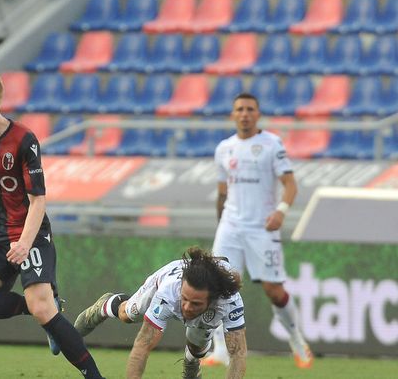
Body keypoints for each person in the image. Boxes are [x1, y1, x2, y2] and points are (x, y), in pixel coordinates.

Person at [0, 67, 104, 378]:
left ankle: (94, 376)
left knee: (43, 307)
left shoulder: (23, 140)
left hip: (30, 235)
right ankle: (38, 310)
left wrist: (24, 242)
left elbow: (38, 201)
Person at [202, 92, 313, 369]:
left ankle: (296, 339)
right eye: (239, 109)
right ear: (232, 114)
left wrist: (281, 212)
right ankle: (220, 350)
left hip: (261, 228)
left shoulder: (271, 144)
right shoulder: (224, 149)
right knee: (216, 286)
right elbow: (222, 192)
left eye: (250, 109)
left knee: (274, 290)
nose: (244, 114)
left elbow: (290, 185)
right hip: (231, 226)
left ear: (258, 113)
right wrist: (222, 225)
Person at [74, 246, 246, 379]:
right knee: (129, 315)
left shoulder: (229, 302)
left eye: (195, 303)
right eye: (184, 299)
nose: (186, 307)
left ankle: (191, 365)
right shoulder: (168, 292)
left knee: (197, 347)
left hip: (211, 299)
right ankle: (107, 304)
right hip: (165, 279)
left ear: (212, 300)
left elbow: (237, 354)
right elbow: (143, 346)